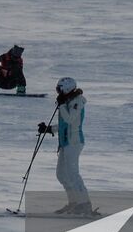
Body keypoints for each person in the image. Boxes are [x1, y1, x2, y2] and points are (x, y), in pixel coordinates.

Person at [37, 77, 94, 216]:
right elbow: (64, 124)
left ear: (67, 88)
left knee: (73, 174)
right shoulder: (67, 101)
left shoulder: (77, 101)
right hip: (65, 143)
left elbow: (69, 119)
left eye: (59, 89)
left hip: (74, 142)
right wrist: (49, 129)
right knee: (62, 174)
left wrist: (62, 105)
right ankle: (74, 202)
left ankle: (84, 204)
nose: (58, 92)